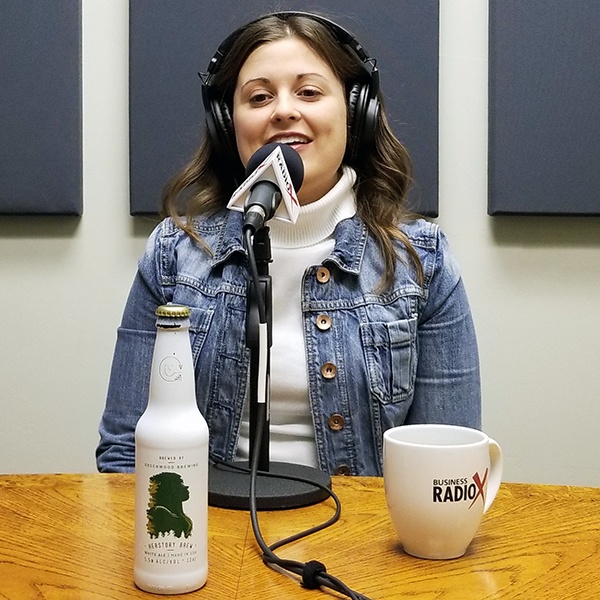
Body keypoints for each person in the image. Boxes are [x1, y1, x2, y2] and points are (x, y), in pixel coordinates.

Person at [96, 11, 481, 476]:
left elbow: (446, 467)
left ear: (355, 113)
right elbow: (124, 454)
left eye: (309, 92)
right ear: (227, 122)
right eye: (259, 97)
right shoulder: (173, 256)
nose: (282, 110)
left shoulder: (422, 263)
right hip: (204, 534)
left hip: (359, 539)